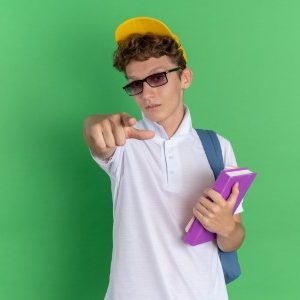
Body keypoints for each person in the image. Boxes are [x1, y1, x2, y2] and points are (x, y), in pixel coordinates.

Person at [83, 16, 245, 300]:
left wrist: (226, 227)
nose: (147, 93)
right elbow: (97, 136)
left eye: (158, 77)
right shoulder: (124, 140)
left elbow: (234, 239)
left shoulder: (218, 147)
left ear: (185, 77)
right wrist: (94, 123)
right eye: (135, 84)